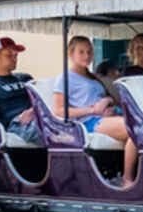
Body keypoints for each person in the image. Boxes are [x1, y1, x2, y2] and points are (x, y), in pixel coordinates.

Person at [53, 36, 138, 186]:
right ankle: (127, 178)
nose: (87, 56)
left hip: (107, 117)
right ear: (71, 54)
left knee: (142, 125)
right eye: (81, 52)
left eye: (89, 52)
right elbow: (59, 110)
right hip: (88, 123)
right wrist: (92, 110)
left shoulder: (93, 77)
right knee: (134, 128)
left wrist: (108, 102)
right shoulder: (65, 78)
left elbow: (110, 98)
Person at [0, 35, 42, 145]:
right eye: (9, 55)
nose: (14, 59)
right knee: (56, 130)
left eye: (15, 55)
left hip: (37, 116)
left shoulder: (25, 78)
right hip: (17, 125)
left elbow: (42, 99)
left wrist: (33, 111)